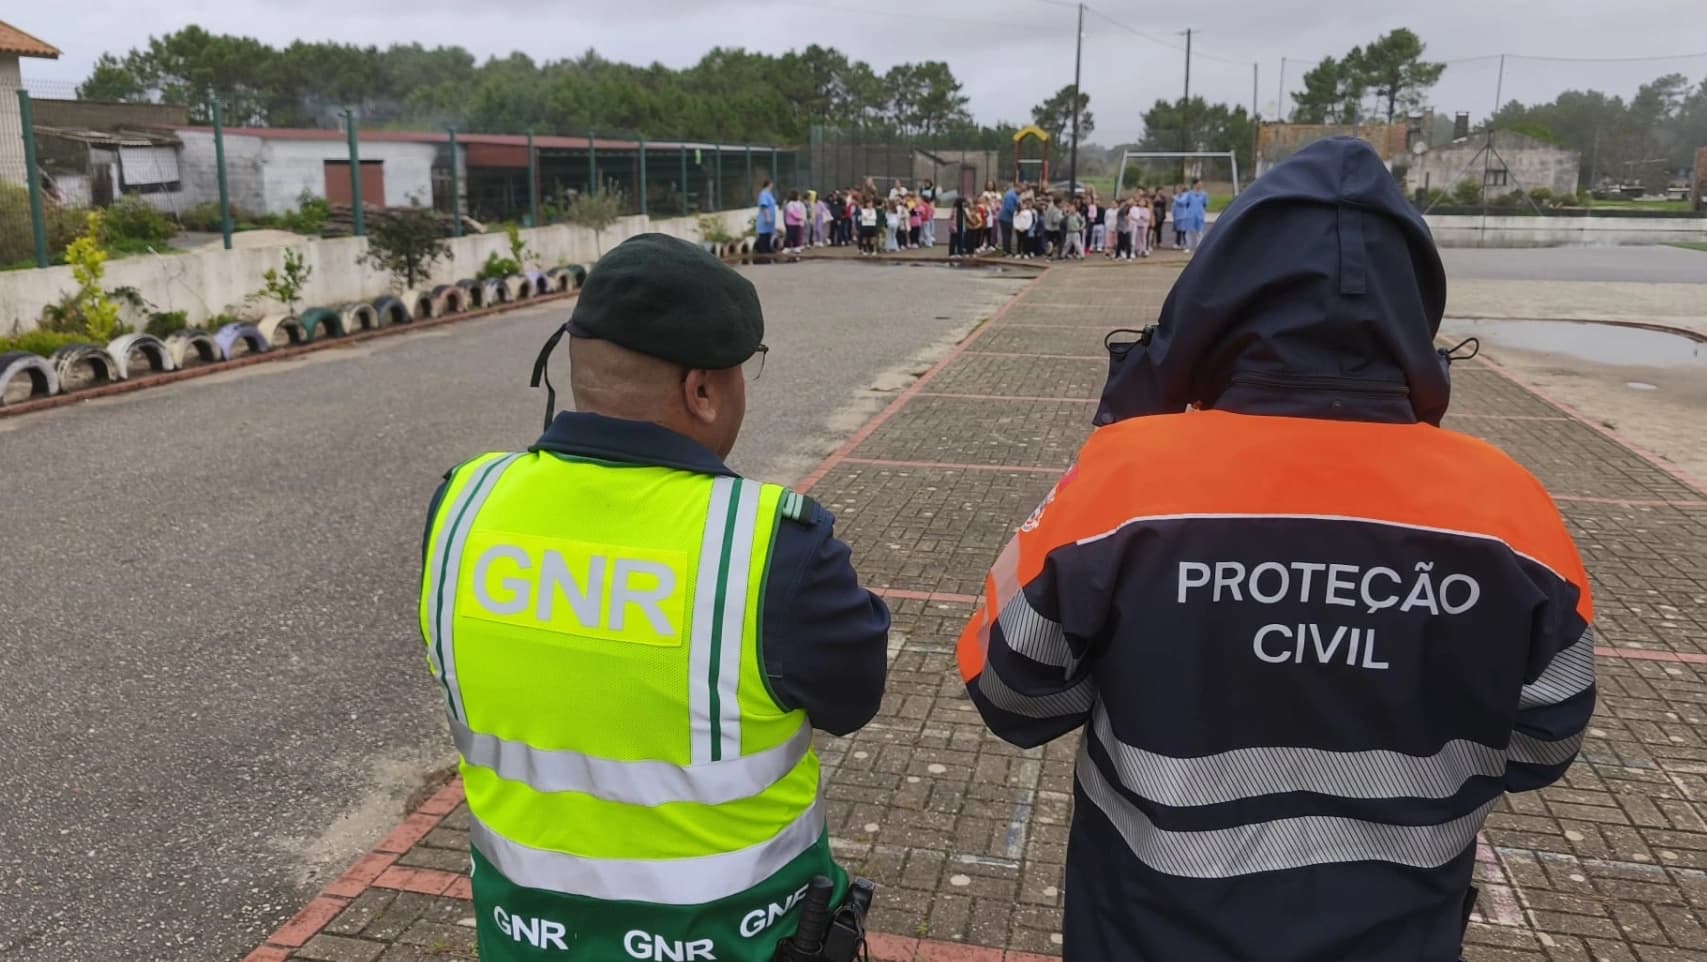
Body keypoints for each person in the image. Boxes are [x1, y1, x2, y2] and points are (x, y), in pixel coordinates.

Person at [955, 138, 1594, 962]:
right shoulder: (1512, 504)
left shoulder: (1127, 477)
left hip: (1149, 928)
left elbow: (1014, 694)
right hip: (1396, 932)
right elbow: (1545, 743)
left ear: (1211, 305)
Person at [425, 233, 890, 962]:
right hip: (736, 942)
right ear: (702, 390)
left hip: (526, 939)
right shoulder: (770, 547)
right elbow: (853, 698)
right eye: (743, 373)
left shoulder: (462, 505)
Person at [756, 178, 778, 256]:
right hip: (765, 218)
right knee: (763, 235)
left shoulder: (769, 194)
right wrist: (767, 217)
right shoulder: (763, 194)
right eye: (771, 184)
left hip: (771, 219)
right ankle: (763, 251)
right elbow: (764, 206)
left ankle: (768, 249)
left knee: (768, 234)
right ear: (768, 185)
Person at [1000, 180, 1020, 256]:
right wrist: (1016, 214)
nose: (1020, 191)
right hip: (1006, 217)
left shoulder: (1014, 194)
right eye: (1020, 189)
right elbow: (1010, 207)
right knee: (1006, 235)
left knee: (1008, 234)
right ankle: (1006, 251)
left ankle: (1007, 250)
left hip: (1007, 218)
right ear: (1016, 187)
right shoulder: (1011, 195)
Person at [1132, 188, 1153, 258]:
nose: (1141, 203)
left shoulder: (1146, 210)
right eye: (1140, 202)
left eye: (1143, 202)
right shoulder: (1136, 208)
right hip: (1137, 224)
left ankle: (1143, 249)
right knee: (1137, 237)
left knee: (1143, 237)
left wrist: (1142, 217)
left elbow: (1147, 217)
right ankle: (1137, 249)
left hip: (1144, 225)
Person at [1171, 184, 1190, 249]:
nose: (1177, 190)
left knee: (1184, 231)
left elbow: (1183, 202)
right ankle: (1177, 243)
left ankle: (1186, 244)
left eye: (1179, 189)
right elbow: (1173, 206)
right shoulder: (1176, 196)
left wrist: (1175, 198)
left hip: (1183, 216)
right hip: (1176, 216)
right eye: (1177, 189)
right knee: (1178, 231)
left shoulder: (1185, 196)